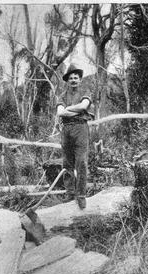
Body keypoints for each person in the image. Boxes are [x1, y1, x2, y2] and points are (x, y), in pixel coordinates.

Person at [56, 64, 94, 209]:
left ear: (79, 79)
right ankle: (70, 192)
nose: (73, 80)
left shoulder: (85, 91)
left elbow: (84, 106)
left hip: (80, 128)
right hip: (66, 130)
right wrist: (74, 110)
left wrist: (69, 109)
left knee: (81, 162)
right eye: (71, 78)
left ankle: (81, 195)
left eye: (75, 78)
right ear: (67, 80)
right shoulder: (63, 95)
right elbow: (60, 112)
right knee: (67, 163)